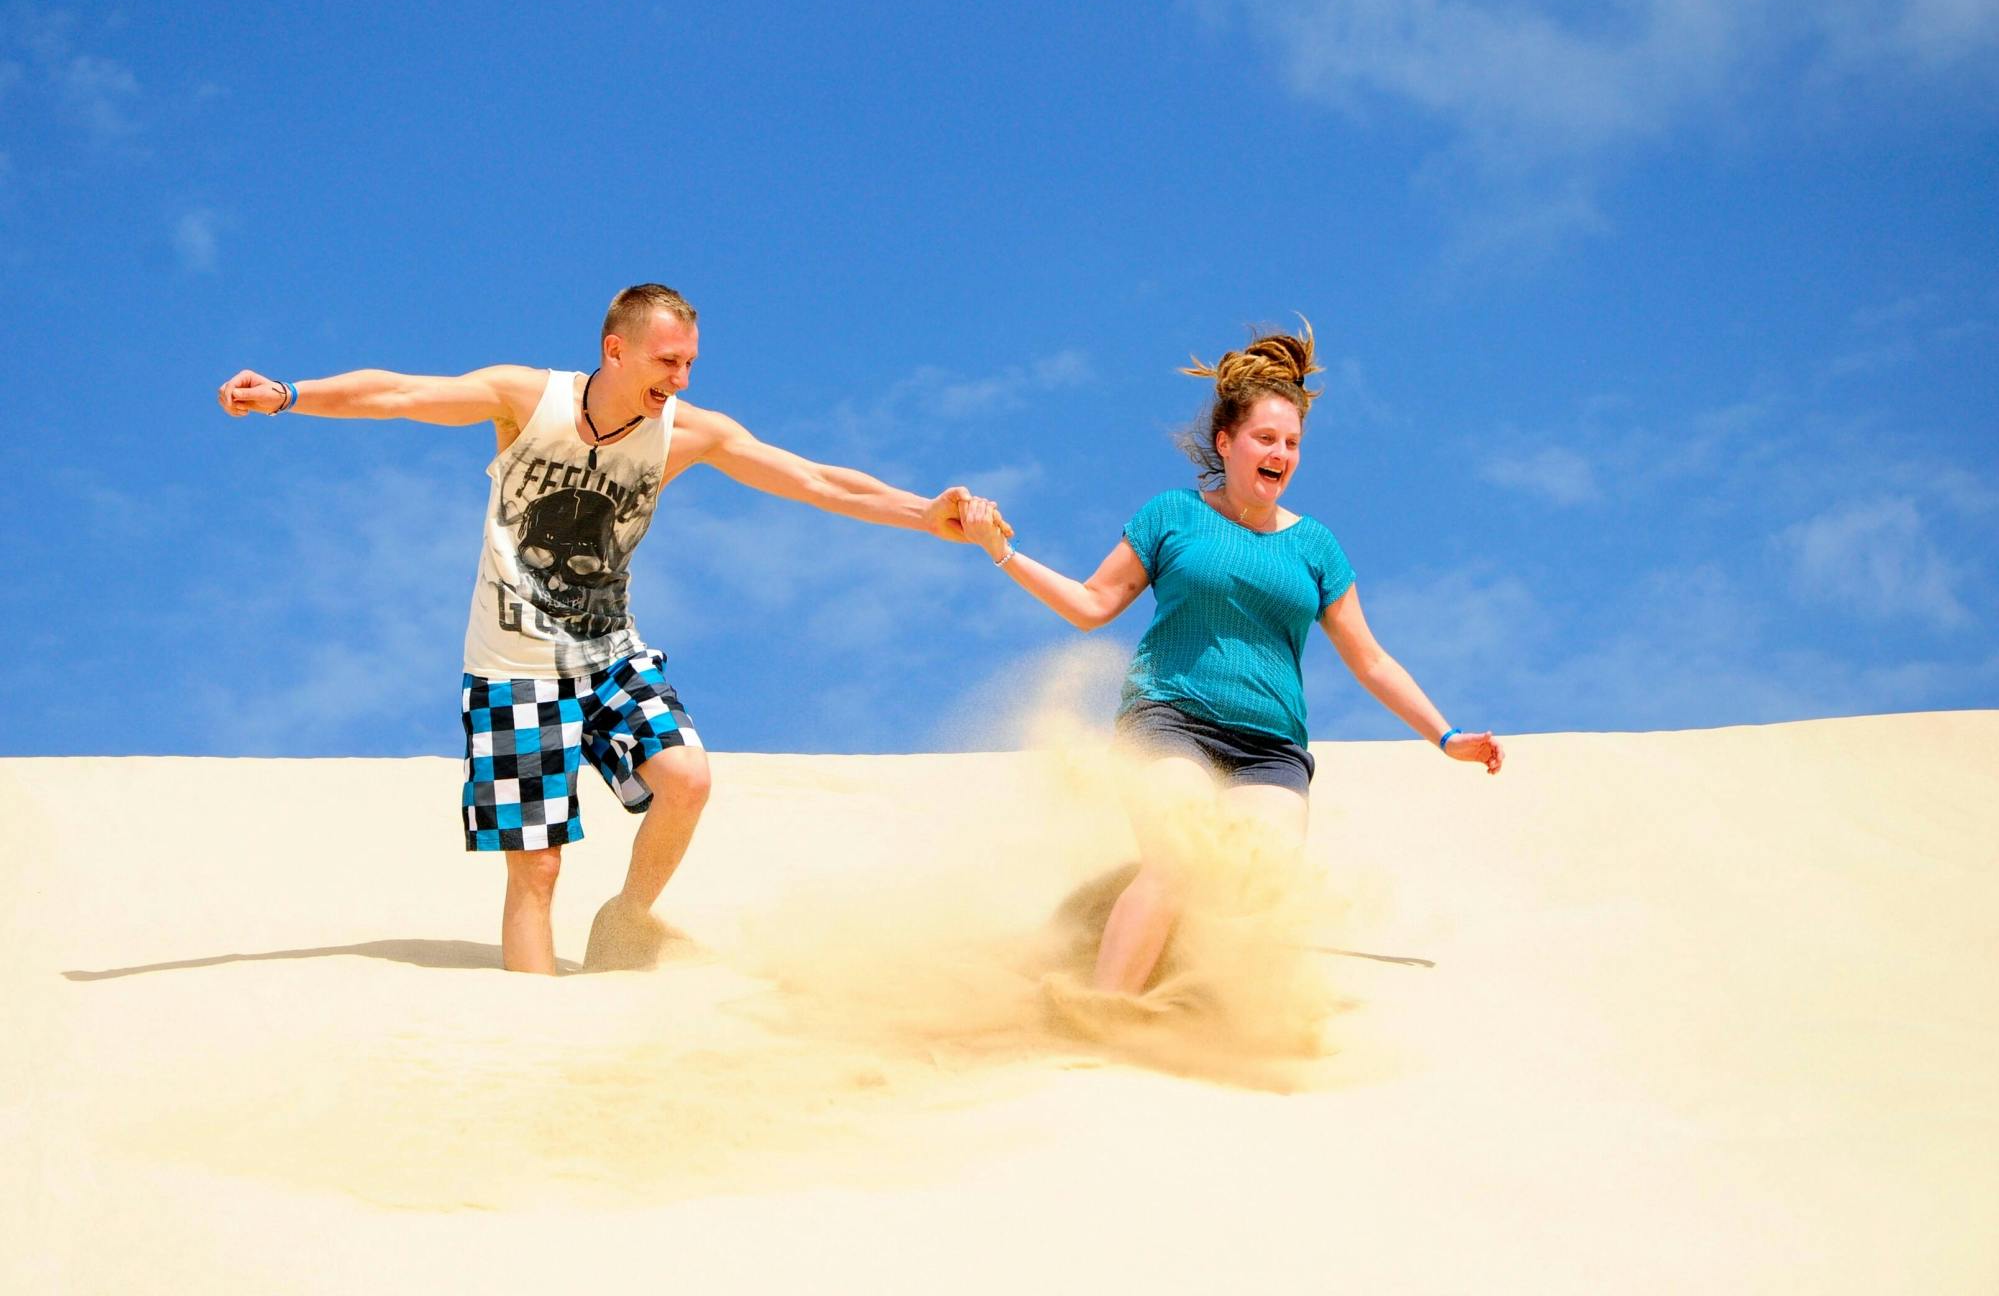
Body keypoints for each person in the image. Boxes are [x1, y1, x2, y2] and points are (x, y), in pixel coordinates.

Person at [218, 284, 1001, 975]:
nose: (680, 379)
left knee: (687, 779)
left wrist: (923, 514)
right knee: (538, 873)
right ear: (614, 349)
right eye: (667, 361)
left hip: (608, 657)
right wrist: (289, 393)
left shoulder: (688, 434)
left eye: (689, 363)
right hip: (509, 669)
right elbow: (394, 394)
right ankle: (536, 1028)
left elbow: (815, 480)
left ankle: (629, 915)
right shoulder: (526, 400)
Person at [958, 321, 1502, 996]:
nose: (1280, 453)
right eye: (1264, 438)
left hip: (1270, 748)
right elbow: (1091, 605)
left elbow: (1370, 661)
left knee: (1255, 877)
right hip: (1170, 721)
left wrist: (1444, 737)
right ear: (1226, 442)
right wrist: (1000, 551)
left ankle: (1141, 947)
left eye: (1292, 443)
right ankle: (1100, 1007)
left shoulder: (1316, 548)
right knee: (1182, 857)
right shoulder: (1172, 515)